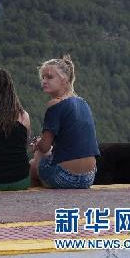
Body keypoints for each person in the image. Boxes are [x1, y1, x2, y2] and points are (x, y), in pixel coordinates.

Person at [30, 55, 100, 188]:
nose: (44, 81)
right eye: (43, 77)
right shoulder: (83, 102)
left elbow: (44, 147)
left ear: (65, 80)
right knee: (39, 163)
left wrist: (37, 144)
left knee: (35, 160)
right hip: (89, 178)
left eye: (49, 77)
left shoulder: (55, 104)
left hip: (66, 178)